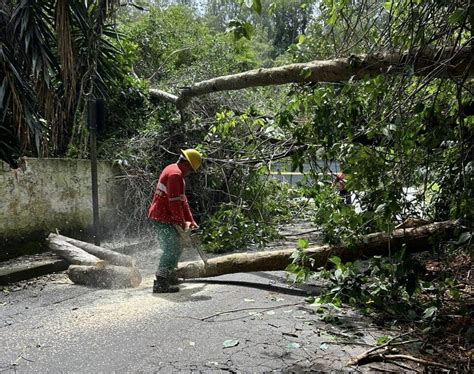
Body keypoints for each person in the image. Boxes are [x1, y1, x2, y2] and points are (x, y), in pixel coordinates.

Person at [148, 149, 203, 293]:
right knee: (171, 247)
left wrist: (190, 220)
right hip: (161, 217)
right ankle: (161, 282)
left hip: (165, 216)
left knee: (177, 247)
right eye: (191, 170)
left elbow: (182, 202)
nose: (189, 172)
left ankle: (170, 276)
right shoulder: (175, 175)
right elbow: (174, 203)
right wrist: (181, 222)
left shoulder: (175, 171)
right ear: (187, 164)